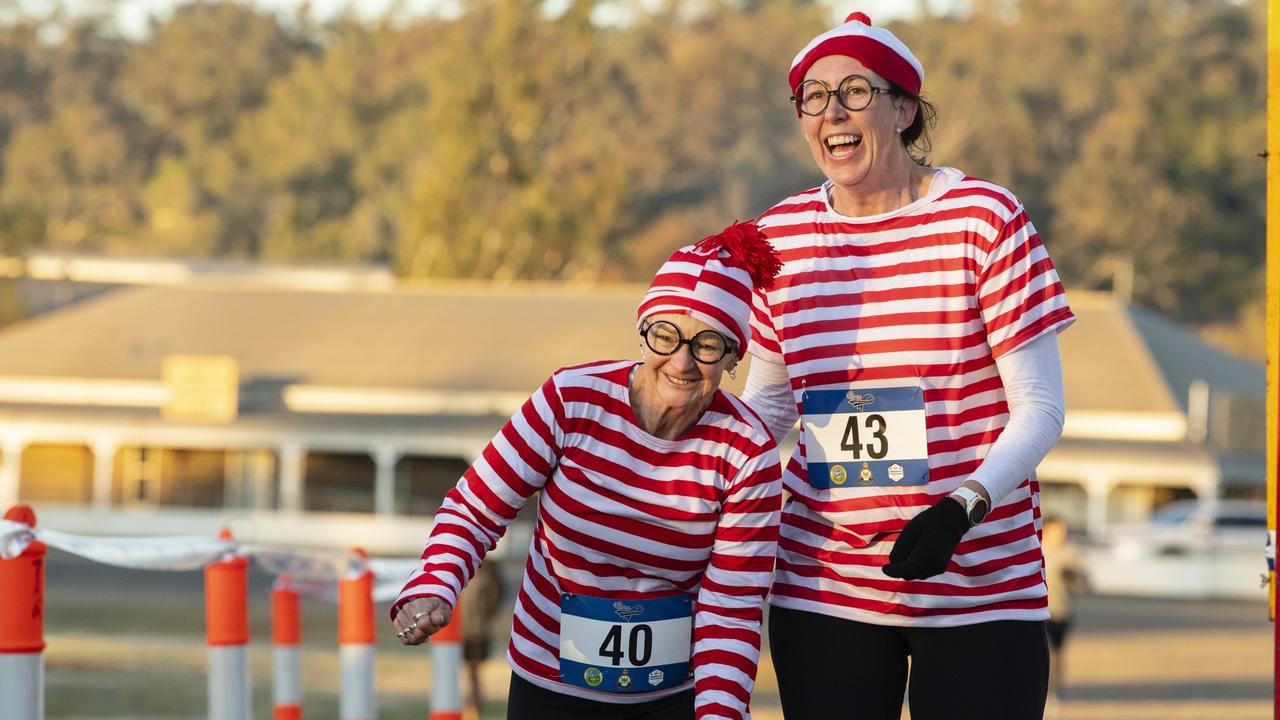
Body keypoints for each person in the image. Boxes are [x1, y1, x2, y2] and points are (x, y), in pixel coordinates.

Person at [740, 12, 1076, 720]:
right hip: (825, 589)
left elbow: (1041, 407)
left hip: (981, 584)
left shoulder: (984, 218)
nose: (832, 111)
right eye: (812, 96)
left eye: (855, 91)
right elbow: (769, 408)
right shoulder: (775, 238)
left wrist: (963, 507)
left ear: (902, 110)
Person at [391, 222, 784, 720]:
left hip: (672, 694)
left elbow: (731, 608)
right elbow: (476, 507)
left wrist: (720, 715)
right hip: (548, 679)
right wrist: (434, 584)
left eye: (707, 345)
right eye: (667, 336)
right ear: (643, 334)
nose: (682, 362)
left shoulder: (747, 449)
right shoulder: (571, 398)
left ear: (732, 357)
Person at [1041, 515, 1087, 714]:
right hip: (1041, 614)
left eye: (1063, 531)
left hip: (1063, 613)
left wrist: (1074, 577)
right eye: (1056, 531)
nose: (1060, 535)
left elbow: (1085, 584)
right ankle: (1043, 694)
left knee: (1058, 657)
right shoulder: (1037, 550)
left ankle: (1053, 694)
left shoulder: (1070, 553)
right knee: (1046, 655)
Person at [458, 558, 506, 719]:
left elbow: (496, 594)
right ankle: (467, 706)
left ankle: (473, 708)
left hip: (477, 630)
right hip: (458, 630)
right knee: (462, 673)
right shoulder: (456, 564)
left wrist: (486, 616)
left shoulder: (488, 567)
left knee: (474, 673)